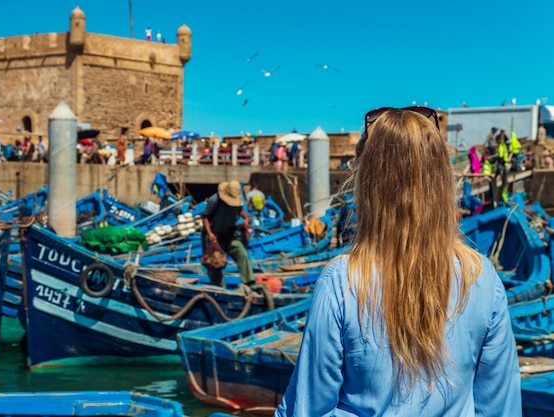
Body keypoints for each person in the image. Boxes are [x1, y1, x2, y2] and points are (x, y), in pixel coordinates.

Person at [275, 107, 520, 416]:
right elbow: (501, 408)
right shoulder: (482, 277)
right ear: (443, 179)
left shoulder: (342, 280)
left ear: (367, 182)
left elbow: (308, 408)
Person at [202, 180, 255, 287]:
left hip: (230, 233)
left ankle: (249, 282)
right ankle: (219, 288)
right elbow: (205, 217)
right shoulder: (215, 200)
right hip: (214, 236)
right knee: (214, 263)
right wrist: (210, 234)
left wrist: (246, 219)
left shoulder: (237, 201)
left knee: (242, 253)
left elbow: (240, 211)